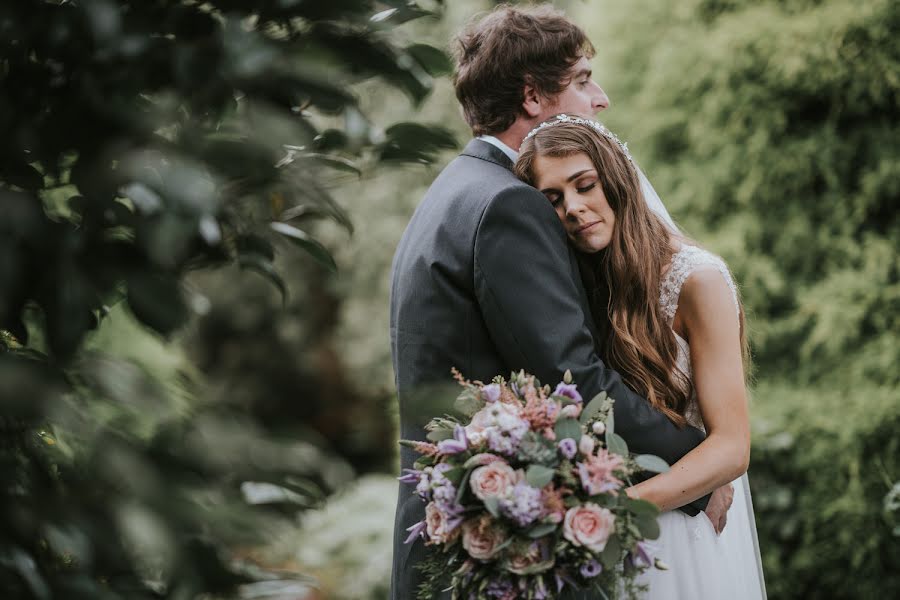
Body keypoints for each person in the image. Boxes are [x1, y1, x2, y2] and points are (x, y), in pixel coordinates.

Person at [389, 5, 731, 598]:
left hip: (461, 540)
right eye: (581, 80)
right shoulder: (508, 207)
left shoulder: (453, 191)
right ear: (531, 97)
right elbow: (572, 375)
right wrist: (700, 466)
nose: (600, 98)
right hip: (503, 553)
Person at [515, 115, 767, 599]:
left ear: (617, 179)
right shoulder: (582, 289)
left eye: (584, 185)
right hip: (610, 545)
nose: (573, 208)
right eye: (554, 199)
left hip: (680, 533)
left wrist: (615, 511)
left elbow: (732, 447)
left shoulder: (698, 280)